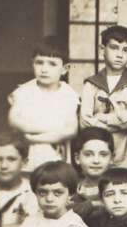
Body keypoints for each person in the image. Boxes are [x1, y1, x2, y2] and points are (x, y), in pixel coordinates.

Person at [78, 25, 127, 173]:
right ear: (102, 49)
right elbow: (84, 122)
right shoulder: (91, 84)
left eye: (125, 50)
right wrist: (119, 121)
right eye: (114, 48)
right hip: (97, 157)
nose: (120, 55)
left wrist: (100, 117)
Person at [8, 36, 78, 173]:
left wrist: (34, 137)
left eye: (52, 64)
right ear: (32, 63)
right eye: (39, 62)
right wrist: (55, 128)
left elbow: (71, 130)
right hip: (29, 158)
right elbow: (14, 121)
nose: (44, 69)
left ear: (65, 69)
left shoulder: (67, 93)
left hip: (57, 159)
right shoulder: (24, 91)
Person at [71, 127, 114, 218]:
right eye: (88, 154)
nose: (96, 161)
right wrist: (93, 204)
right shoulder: (71, 190)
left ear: (112, 158)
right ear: (77, 158)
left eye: (103, 155)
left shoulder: (118, 189)